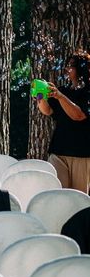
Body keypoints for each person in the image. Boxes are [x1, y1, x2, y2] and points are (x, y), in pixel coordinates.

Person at [36, 52, 90, 193]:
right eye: (66, 65)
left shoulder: (87, 93)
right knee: (56, 192)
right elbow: (47, 111)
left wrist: (60, 97)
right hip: (58, 151)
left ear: (82, 68)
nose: (67, 69)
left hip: (81, 153)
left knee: (78, 197)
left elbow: (79, 115)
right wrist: (40, 97)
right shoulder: (63, 90)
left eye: (71, 65)